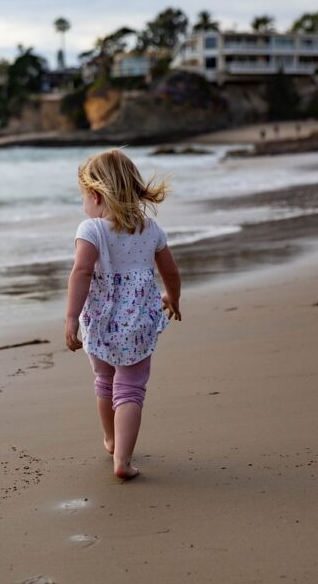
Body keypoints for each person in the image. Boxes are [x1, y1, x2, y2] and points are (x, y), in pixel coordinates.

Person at [65, 149, 182, 480]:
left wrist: (71, 317)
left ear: (97, 195)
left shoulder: (91, 230)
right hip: (138, 322)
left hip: (100, 321)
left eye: (84, 198)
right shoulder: (151, 229)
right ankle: (124, 461)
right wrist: (172, 297)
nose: (84, 206)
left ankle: (112, 440)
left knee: (104, 380)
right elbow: (170, 271)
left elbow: (81, 272)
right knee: (130, 388)